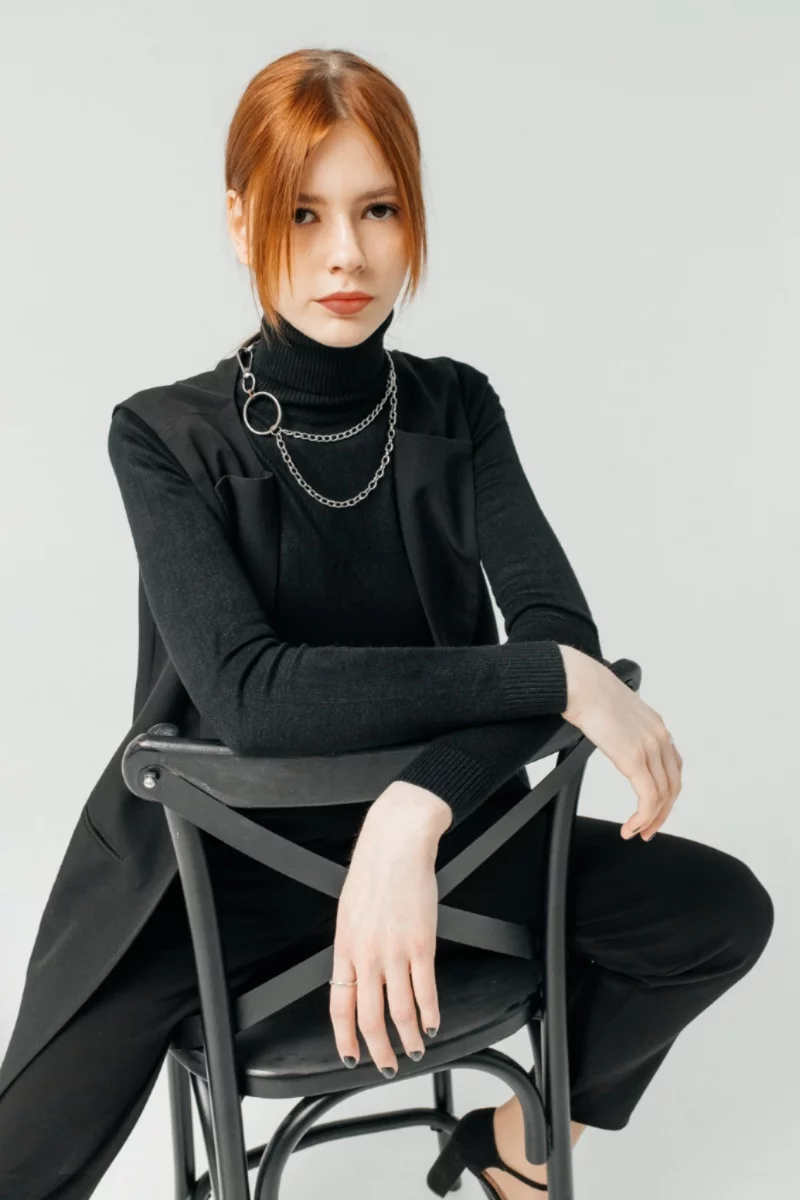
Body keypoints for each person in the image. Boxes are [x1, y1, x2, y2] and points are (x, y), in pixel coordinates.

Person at [0, 47, 774, 1200]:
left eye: (377, 209)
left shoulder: (456, 405)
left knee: (715, 912)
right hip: (208, 880)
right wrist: (559, 678)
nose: (346, 255)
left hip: (453, 853)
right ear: (239, 220)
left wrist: (415, 808)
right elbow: (252, 696)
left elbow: (552, 627)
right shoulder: (162, 435)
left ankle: (516, 1150)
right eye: (301, 213)